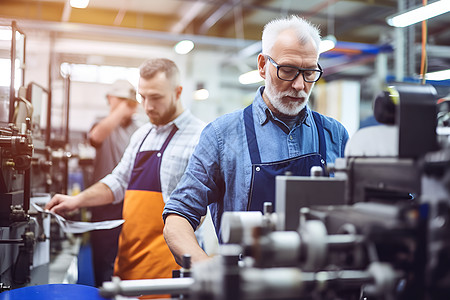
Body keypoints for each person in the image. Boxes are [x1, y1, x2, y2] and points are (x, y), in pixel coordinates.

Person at [163, 15, 349, 266]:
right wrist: (204, 267)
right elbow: (179, 215)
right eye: (288, 70)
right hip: (249, 285)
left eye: (309, 73)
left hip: (322, 283)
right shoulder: (222, 135)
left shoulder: (334, 134)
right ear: (262, 65)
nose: (299, 85)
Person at [46, 58, 205, 284]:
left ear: (178, 92)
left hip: (171, 269)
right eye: (143, 97)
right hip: (129, 265)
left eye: (156, 97)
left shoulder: (201, 136)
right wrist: (77, 200)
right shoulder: (142, 135)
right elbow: (119, 181)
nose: (147, 106)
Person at [87, 79, 141, 287]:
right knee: (102, 260)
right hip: (103, 204)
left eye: (132, 102)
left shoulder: (140, 129)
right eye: (124, 101)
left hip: (131, 204)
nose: (130, 106)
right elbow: (96, 137)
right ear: (110, 99)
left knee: (127, 258)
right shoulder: (102, 122)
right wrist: (118, 110)